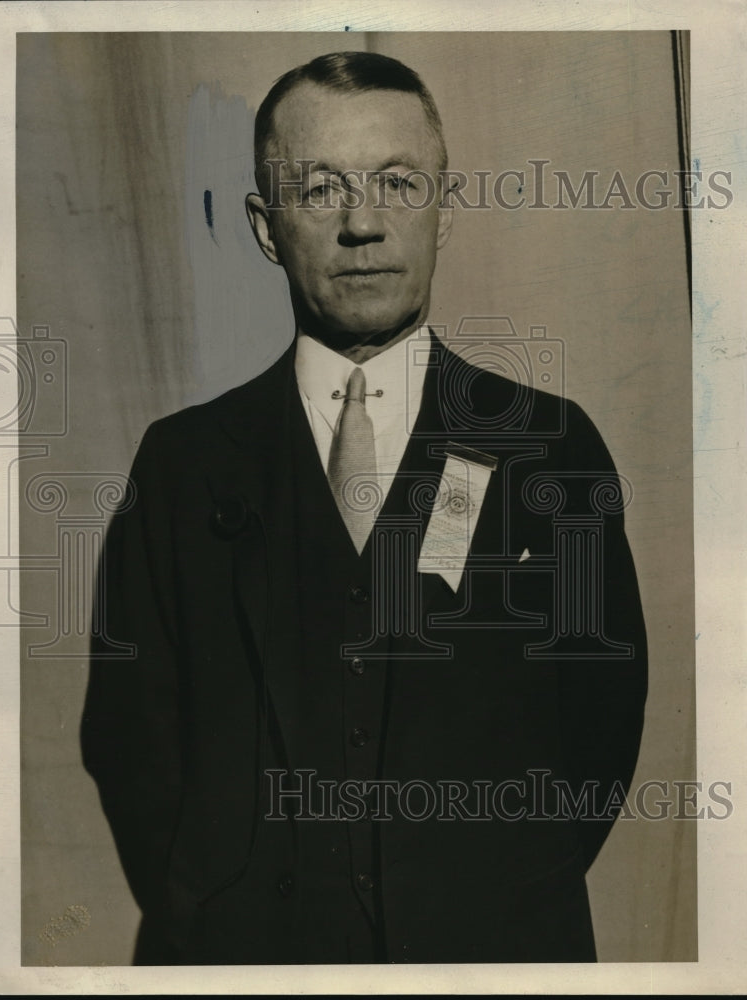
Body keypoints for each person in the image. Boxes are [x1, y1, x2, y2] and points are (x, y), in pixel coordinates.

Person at [81, 51, 647, 965]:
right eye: (319, 189)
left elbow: (601, 720)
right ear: (268, 229)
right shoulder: (183, 465)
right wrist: (221, 912)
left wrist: (491, 891)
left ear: (444, 206)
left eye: (397, 180)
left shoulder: (548, 447)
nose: (363, 224)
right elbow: (132, 736)